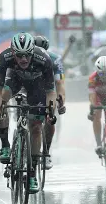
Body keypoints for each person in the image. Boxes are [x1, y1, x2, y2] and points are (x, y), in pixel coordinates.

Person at [0, 32, 57, 193]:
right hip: (15, 80)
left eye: (27, 55)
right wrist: (0, 107)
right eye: (19, 55)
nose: (23, 59)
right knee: (2, 102)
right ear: (12, 52)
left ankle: (32, 173)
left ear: (32, 52)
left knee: (36, 127)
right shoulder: (4, 57)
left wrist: (50, 110)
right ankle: (6, 145)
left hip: (37, 85)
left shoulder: (44, 59)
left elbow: (51, 91)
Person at [34, 35, 66, 169]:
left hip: (48, 91)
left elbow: (59, 83)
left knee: (49, 119)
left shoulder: (55, 60)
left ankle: (46, 153)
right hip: (28, 90)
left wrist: (61, 101)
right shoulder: (25, 58)